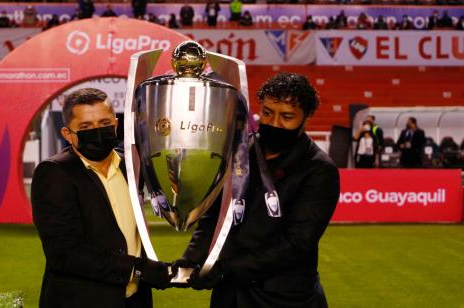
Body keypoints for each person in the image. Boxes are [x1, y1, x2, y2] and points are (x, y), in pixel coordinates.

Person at [175, 73, 340, 307]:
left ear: (307, 118)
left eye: (287, 116)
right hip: (229, 295)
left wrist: (227, 269)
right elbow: (214, 216)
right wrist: (191, 258)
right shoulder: (238, 152)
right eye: (268, 113)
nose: (274, 123)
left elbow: (296, 244)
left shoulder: (319, 169)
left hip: (284, 298)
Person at [32, 88, 172, 307]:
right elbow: (64, 253)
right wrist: (136, 268)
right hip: (82, 300)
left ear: (116, 125)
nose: (97, 131)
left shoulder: (132, 167)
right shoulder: (54, 172)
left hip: (136, 299)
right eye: (86, 127)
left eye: (104, 123)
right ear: (68, 134)